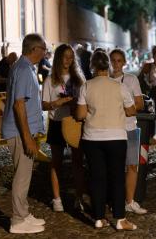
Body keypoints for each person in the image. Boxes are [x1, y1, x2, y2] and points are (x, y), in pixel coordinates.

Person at [76, 50, 137, 230]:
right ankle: (119, 219)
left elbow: (80, 115)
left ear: (93, 66)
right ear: (108, 65)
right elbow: (131, 110)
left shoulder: (86, 86)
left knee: (97, 177)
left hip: (92, 137)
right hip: (116, 137)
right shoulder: (120, 86)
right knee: (117, 177)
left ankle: (98, 217)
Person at [2, 33, 47, 234]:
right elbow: (19, 105)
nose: (45, 52)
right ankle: (18, 220)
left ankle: (23, 213)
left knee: (25, 175)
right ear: (34, 49)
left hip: (21, 131)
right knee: (22, 177)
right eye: (43, 49)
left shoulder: (25, 67)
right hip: (19, 133)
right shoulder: (23, 69)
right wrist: (28, 137)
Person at [41, 44, 86, 212]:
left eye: (71, 57)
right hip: (56, 123)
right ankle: (57, 199)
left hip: (75, 122)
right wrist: (57, 103)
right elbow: (44, 105)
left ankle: (79, 197)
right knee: (56, 162)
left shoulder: (79, 79)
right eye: (65, 56)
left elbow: (85, 100)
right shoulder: (50, 79)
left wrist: (74, 102)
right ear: (59, 57)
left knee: (77, 161)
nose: (68, 60)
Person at [109, 48, 147, 215]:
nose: (116, 64)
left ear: (124, 62)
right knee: (114, 168)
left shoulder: (131, 80)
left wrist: (123, 110)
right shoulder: (104, 80)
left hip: (130, 128)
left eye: (119, 60)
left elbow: (140, 104)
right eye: (113, 60)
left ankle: (130, 201)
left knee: (132, 166)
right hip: (111, 130)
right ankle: (115, 200)